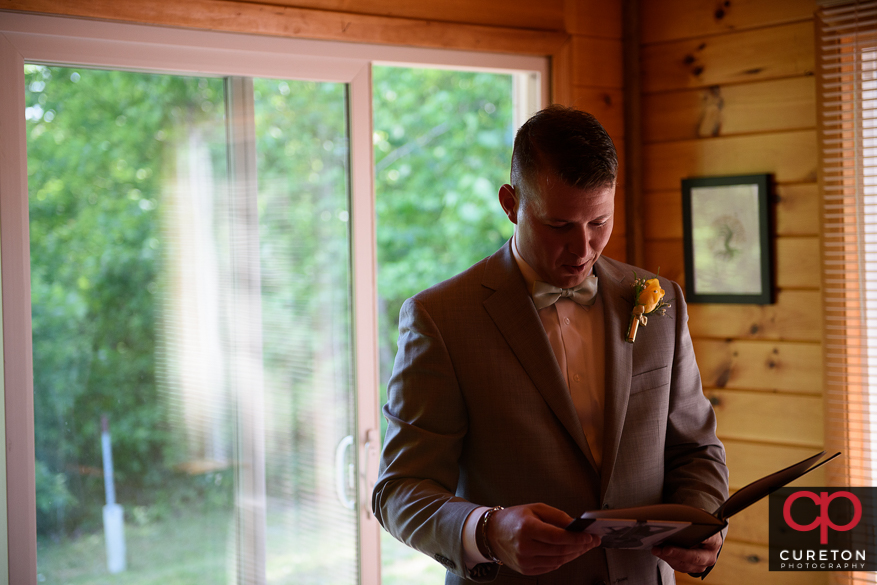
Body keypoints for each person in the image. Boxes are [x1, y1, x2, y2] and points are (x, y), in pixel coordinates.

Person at [372, 105, 729, 584]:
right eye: (559, 226)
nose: (582, 249)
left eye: (598, 222)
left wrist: (703, 523)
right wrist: (489, 530)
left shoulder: (661, 303)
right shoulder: (440, 319)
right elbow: (398, 490)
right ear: (511, 203)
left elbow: (697, 449)